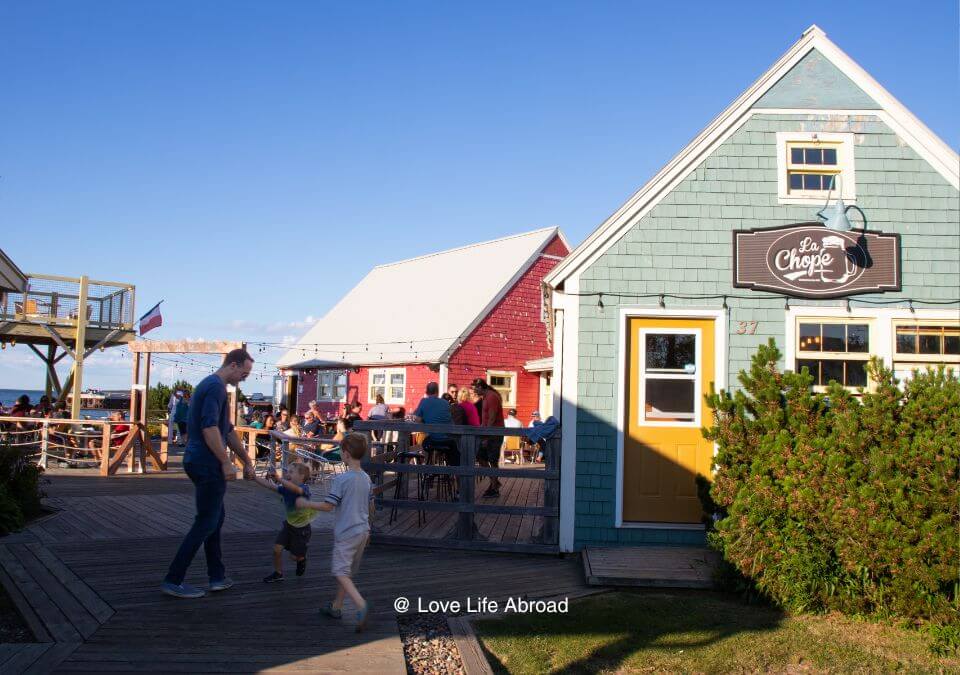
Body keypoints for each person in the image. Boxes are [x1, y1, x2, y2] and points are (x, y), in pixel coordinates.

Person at [161, 349, 255, 599]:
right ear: (233, 365)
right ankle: (173, 579)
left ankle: (217, 577)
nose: (244, 378)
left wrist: (246, 460)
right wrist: (226, 462)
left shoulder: (212, 386)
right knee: (206, 521)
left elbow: (228, 431)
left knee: (215, 518)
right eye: (244, 373)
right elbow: (209, 427)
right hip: (206, 462)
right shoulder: (215, 388)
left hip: (198, 460)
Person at [296, 433, 374, 632]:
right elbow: (371, 505)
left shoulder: (342, 479)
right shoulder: (366, 478)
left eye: (341, 451)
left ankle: (361, 605)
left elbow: (328, 506)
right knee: (346, 573)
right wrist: (369, 528)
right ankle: (337, 606)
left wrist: (306, 503)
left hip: (347, 533)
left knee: (340, 571)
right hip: (363, 531)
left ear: (346, 454)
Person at [254, 462, 317, 582]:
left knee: (294, 557)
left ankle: (301, 559)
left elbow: (295, 489)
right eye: (287, 471)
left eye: (291, 472)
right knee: (276, 549)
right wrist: (254, 477)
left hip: (301, 529)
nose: (288, 474)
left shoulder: (304, 489)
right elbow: (270, 486)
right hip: (288, 525)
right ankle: (278, 573)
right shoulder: (286, 489)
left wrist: (279, 479)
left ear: (302, 476)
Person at [412, 382, 459, 466]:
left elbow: (416, 418)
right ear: (437, 391)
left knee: (424, 442)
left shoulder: (424, 402)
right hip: (447, 439)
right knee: (453, 448)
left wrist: (424, 420)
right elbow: (450, 421)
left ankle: (428, 466)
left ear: (427, 392)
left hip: (433, 439)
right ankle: (452, 470)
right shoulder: (445, 403)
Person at [473, 379, 504, 497]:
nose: (474, 391)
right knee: (480, 457)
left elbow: (492, 418)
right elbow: (484, 420)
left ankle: (494, 488)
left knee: (493, 460)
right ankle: (494, 482)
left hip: (494, 434)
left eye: (475, 388)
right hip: (487, 433)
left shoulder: (491, 397)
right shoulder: (485, 398)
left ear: (481, 387)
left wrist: (486, 436)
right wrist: (480, 433)